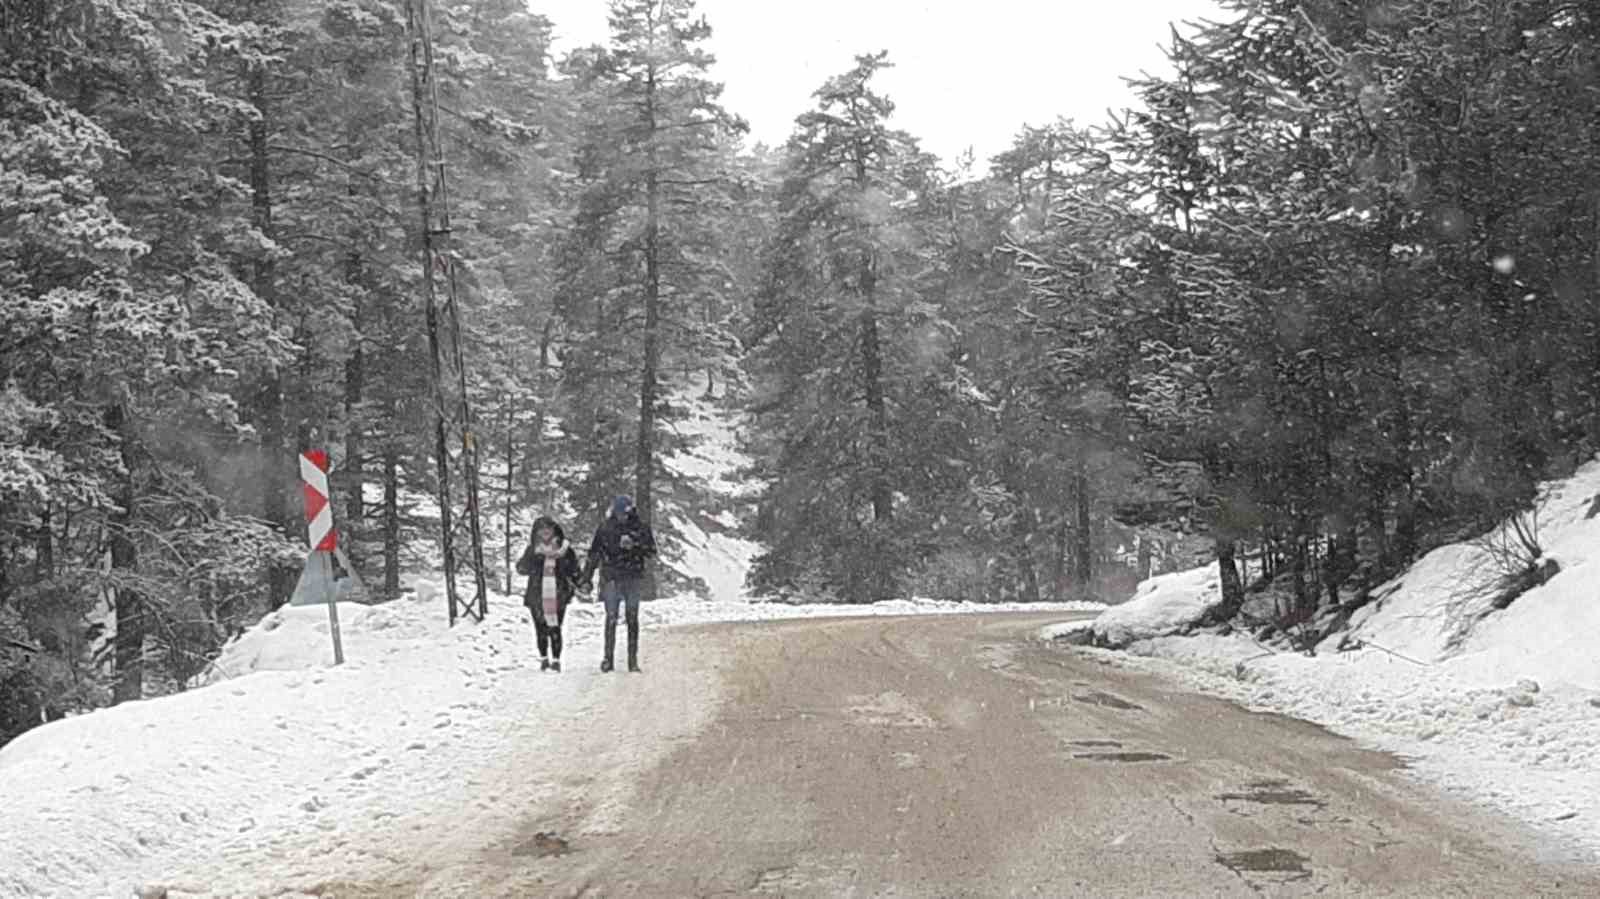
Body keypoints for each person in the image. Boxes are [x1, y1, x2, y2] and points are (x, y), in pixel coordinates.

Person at [580, 495, 656, 673]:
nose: (623, 516)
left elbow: (651, 551)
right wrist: (587, 578)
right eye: (620, 513)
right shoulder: (605, 528)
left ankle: (632, 660)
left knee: (632, 618)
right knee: (611, 618)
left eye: (625, 513)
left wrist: (635, 545)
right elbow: (594, 554)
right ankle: (608, 659)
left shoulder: (640, 528)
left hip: (632, 577)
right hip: (612, 577)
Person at [516, 515, 582, 672]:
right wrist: (533, 558)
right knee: (540, 628)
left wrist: (582, 583)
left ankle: (557, 659)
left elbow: (574, 570)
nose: (545, 532)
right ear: (537, 532)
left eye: (548, 528)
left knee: (556, 627)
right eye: (541, 529)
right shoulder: (532, 550)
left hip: (559, 594)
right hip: (537, 594)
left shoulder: (565, 550)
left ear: (554, 530)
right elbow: (521, 569)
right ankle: (544, 658)